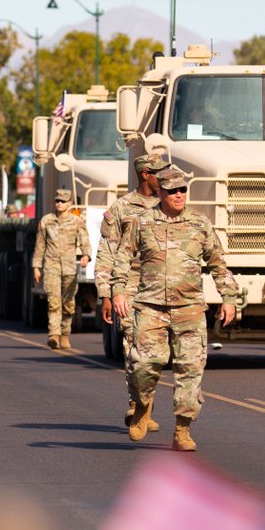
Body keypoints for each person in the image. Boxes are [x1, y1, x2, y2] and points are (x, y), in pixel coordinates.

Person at [111, 166, 238, 450]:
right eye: (173, 191)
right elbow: (123, 257)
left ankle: (182, 431)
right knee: (143, 364)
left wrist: (228, 297)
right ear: (161, 192)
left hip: (190, 309)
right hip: (150, 307)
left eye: (183, 190)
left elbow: (218, 263)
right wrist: (118, 291)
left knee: (189, 370)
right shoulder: (142, 222)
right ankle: (142, 404)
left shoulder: (200, 224)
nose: (180, 195)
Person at [97, 153, 168, 433]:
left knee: (157, 352)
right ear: (145, 175)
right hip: (127, 285)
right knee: (134, 347)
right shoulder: (121, 208)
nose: (164, 176)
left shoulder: (169, 205)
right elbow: (107, 252)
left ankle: (144, 402)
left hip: (160, 286)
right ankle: (139, 404)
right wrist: (105, 293)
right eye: (159, 172)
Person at [33, 188, 89, 350]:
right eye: (57, 201)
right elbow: (40, 245)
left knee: (68, 303)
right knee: (53, 301)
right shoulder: (46, 221)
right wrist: (36, 266)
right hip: (51, 267)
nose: (59, 204)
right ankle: (54, 334)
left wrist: (86, 255)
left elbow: (84, 240)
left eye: (63, 201)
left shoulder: (76, 221)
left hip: (70, 268)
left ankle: (65, 334)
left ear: (69, 203)